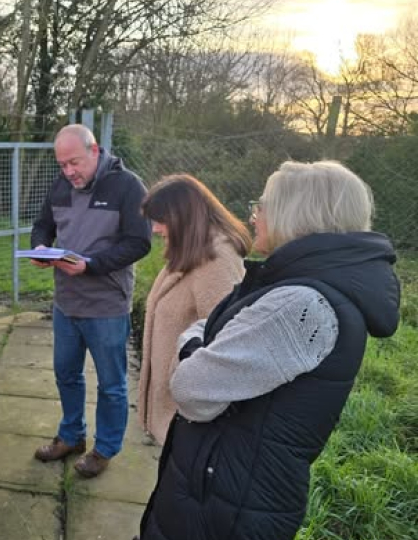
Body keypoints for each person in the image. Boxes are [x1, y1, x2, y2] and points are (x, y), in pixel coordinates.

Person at [136, 161, 400, 540]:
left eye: (262, 205)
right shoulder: (302, 286)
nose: (255, 216)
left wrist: (194, 345)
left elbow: (193, 390)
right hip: (225, 489)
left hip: (226, 504)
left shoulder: (301, 305)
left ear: (296, 214)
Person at [31, 124, 151, 478]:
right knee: (66, 374)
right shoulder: (60, 186)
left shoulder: (128, 186)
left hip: (107, 306)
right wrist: (39, 246)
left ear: (95, 150)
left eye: (75, 163)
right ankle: (71, 436)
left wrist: (92, 266)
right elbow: (42, 225)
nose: (69, 172)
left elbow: (139, 242)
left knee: (111, 384)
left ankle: (105, 448)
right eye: (62, 165)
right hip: (66, 304)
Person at [138, 174, 250, 446]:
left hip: (191, 417)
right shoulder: (190, 249)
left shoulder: (217, 263)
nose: (155, 229)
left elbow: (225, 342)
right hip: (176, 412)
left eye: (161, 220)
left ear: (182, 217)